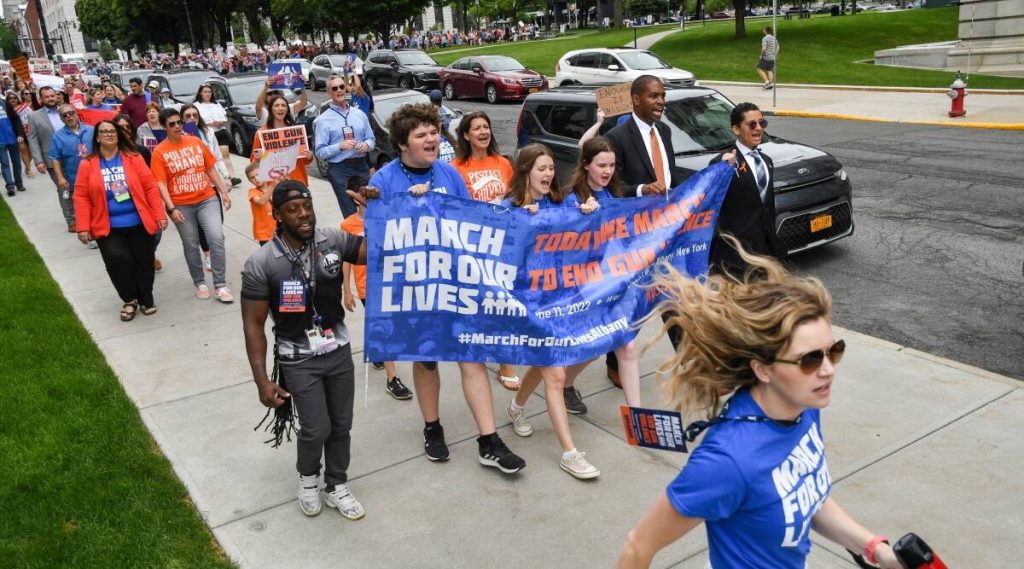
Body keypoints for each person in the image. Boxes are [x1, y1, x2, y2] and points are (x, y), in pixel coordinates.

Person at [614, 243, 902, 569]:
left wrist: (875, 548)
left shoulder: (803, 406)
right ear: (762, 369)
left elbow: (805, 495)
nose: (828, 369)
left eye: (833, 351)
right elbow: (638, 545)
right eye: (810, 359)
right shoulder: (728, 461)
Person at [364, 102, 526, 474]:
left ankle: (489, 441)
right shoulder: (385, 180)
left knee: (471, 357)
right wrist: (402, 208)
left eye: (434, 132)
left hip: (455, 283)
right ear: (403, 144)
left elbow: (472, 222)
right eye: (421, 134)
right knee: (427, 359)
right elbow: (374, 236)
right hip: (416, 288)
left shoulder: (450, 174)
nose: (432, 139)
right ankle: (432, 428)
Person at [240, 179, 369, 521]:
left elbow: (375, 251)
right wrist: (261, 381)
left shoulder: (333, 240)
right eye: (293, 209)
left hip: (338, 350)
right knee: (316, 427)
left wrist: (376, 215)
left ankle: (337, 484)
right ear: (277, 214)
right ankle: (308, 478)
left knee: (342, 424)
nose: (304, 215)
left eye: (307, 206)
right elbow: (253, 325)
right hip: (298, 360)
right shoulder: (263, 262)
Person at [500, 144, 601, 480]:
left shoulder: (560, 204)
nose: (548, 174)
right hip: (526, 305)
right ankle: (570, 454)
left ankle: (515, 408)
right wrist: (518, 224)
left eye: (551, 169)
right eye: (541, 168)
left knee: (543, 365)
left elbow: (580, 227)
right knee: (556, 375)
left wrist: (587, 211)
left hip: (557, 301)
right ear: (525, 170)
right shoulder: (507, 208)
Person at [603, 75, 686, 387]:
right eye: (654, 96)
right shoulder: (617, 137)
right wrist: (640, 189)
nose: (661, 102)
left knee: (672, 296)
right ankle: (614, 361)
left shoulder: (664, 131)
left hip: (666, 232)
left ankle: (686, 360)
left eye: (663, 96)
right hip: (633, 238)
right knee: (630, 303)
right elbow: (611, 187)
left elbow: (670, 175)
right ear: (635, 99)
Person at [450, 110, 520, 390]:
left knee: (503, 301)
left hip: (504, 243)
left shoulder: (503, 163)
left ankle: (505, 363)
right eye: (476, 127)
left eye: (486, 127)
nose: (483, 132)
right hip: (474, 247)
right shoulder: (456, 168)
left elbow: (516, 195)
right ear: (466, 135)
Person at [73, 120, 166, 321]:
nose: (109, 134)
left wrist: (159, 214)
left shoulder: (134, 158)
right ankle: (130, 299)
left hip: (139, 221)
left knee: (144, 262)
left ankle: (146, 298)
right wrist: (82, 226)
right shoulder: (87, 164)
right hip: (108, 226)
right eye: (104, 132)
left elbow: (150, 187)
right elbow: (81, 196)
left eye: (112, 131)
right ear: (97, 137)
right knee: (118, 261)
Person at [339, 175, 412, 401]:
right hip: (366, 285)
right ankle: (392, 380)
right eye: (363, 193)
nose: (367, 197)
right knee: (384, 328)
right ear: (355, 197)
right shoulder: (348, 225)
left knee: (387, 327)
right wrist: (347, 290)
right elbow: (346, 259)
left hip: (390, 280)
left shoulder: (384, 218)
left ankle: (377, 349)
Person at [150, 108, 234, 302]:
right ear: (165, 127)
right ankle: (200, 282)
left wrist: (222, 191)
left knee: (216, 237)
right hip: (181, 204)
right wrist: (171, 208)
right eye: (172, 124)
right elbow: (161, 183)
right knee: (191, 244)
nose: (178, 126)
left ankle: (220, 285)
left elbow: (210, 168)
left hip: (206, 198)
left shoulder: (195, 142)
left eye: (179, 122)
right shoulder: (160, 152)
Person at [709, 102, 786, 274]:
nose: (758, 128)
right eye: (752, 124)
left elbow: (767, 207)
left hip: (766, 253)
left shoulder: (767, 161)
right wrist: (721, 167)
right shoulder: (726, 162)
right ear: (736, 129)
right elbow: (711, 195)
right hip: (737, 257)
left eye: (762, 123)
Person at [314, 75, 374, 219]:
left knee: (371, 208)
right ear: (329, 92)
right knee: (351, 214)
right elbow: (320, 152)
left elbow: (371, 139)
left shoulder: (359, 114)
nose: (339, 90)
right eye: (335, 88)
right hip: (340, 169)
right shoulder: (323, 120)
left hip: (361, 166)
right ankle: (357, 241)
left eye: (342, 86)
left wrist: (366, 145)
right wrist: (339, 146)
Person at [49, 104, 96, 233]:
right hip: (74, 178)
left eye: (71, 113)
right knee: (82, 207)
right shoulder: (57, 136)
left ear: (76, 113)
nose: (69, 117)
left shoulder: (91, 130)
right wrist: (60, 178)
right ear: (61, 119)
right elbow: (55, 158)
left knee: (97, 204)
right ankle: (88, 233)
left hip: (94, 175)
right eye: (65, 115)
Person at [250, 92, 313, 187]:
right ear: (270, 110)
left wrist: (309, 156)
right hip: (274, 185)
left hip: (298, 181)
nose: (280, 108)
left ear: (287, 109)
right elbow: (253, 161)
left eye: (283, 105)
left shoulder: (295, 131)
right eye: (276, 105)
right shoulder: (261, 133)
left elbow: (303, 160)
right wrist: (259, 158)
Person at [193, 83, 241, 186]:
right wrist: (210, 123)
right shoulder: (196, 105)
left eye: (209, 92)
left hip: (220, 131)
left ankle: (231, 177)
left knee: (225, 155)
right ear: (200, 93)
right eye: (205, 92)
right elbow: (196, 121)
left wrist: (221, 122)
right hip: (208, 133)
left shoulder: (217, 104)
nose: (207, 94)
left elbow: (224, 117)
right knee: (212, 156)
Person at [0, 91, 27, 196]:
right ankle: (10, 186)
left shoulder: (4, 103)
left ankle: (19, 183)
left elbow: (16, 120)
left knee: (16, 162)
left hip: (12, 138)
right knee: (5, 163)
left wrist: (20, 134)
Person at [244, 161, 276, 245]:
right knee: (269, 257)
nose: (256, 178)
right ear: (249, 180)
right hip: (264, 234)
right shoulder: (252, 192)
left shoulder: (275, 187)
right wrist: (273, 187)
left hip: (278, 229)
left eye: (258, 175)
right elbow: (261, 202)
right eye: (252, 177)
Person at [9, 91, 34, 179]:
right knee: (24, 150)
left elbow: (33, 115)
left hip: (29, 130)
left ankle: (27, 166)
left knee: (31, 151)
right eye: (10, 98)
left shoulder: (24, 106)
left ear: (17, 99)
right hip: (18, 133)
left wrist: (29, 122)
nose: (13, 100)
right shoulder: (8, 112)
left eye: (14, 98)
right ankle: (29, 168)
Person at [428, 89, 455, 163]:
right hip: (447, 144)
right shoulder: (445, 112)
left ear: (430, 100)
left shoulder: (428, 113)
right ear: (442, 99)